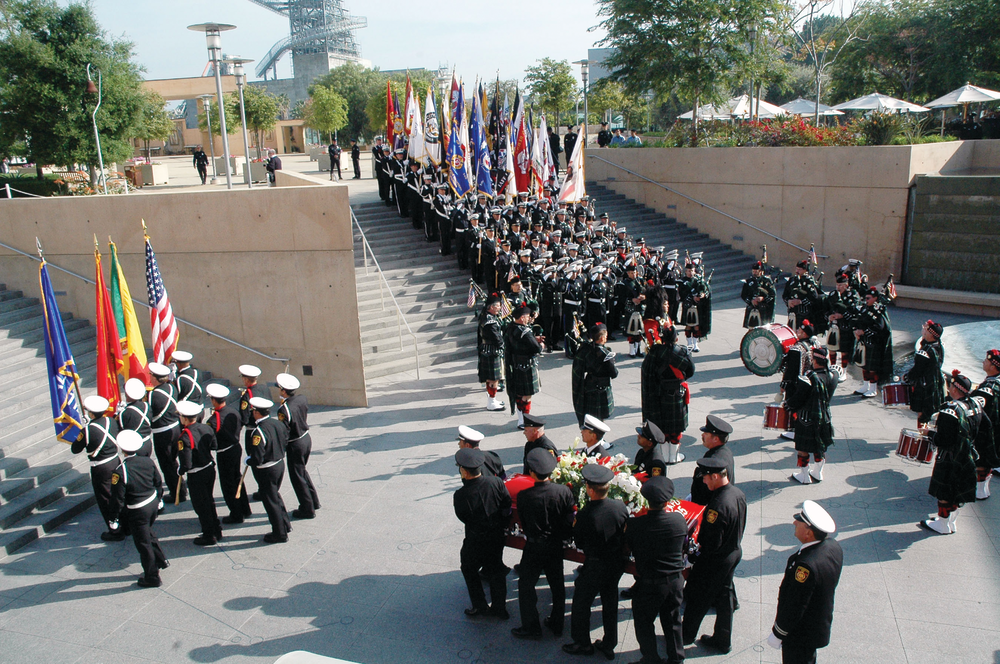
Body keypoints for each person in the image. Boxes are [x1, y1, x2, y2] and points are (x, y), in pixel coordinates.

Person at [563, 464, 628, 659]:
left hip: (596, 565)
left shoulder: (585, 515)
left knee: (582, 603)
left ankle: (583, 643)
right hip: (616, 562)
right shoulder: (619, 506)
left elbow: (580, 542)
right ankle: (609, 643)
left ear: (590, 490)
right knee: (610, 601)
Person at [682, 458, 746, 654]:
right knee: (725, 596)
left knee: (697, 597)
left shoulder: (717, 505)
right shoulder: (737, 493)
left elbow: (711, 542)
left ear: (716, 476)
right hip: (733, 551)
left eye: (706, 478)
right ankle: (722, 639)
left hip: (714, 560)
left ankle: (685, 635)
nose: (704, 482)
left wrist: (695, 555)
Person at [511, 448, 576, 640]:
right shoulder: (564, 491)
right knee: (557, 586)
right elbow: (569, 518)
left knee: (526, 586)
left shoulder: (524, 496)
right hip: (555, 545)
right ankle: (557, 624)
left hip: (534, 547)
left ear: (531, 472)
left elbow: (522, 521)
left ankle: (531, 627)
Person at [768, 501, 843, 663]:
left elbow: (795, 605)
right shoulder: (833, 546)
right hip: (816, 625)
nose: (795, 523)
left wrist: (778, 633)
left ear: (808, 533)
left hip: (800, 634)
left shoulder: (805, 566)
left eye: (799, 522)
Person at [626, 476, 688, 664]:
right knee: (673, 622)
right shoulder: (678, 520)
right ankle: (676, 658)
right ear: (667, 502)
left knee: (644, 623)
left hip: (650, 584)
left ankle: (651, 658)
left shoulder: (635, 526)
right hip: (675, 581)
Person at [453, 447, 512, 619]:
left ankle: (479, 605)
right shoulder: (496, 483)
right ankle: (500, 608)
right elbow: (507, 505)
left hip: (475, 539)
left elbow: (463, 517)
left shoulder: (460, 495)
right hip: (496, 536)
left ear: (464, 471)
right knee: (496, 570)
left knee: (468, 568)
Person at [107, 430, 170, 587]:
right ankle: (161, 559)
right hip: (152, 504)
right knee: (147, 531)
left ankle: (152, 576)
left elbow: (118, 498)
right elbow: (158, 481)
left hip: (138, 510)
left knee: (143, 543)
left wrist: (114, 518)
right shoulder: (147, 461)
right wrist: (159, 498)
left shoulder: (120, 471)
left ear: (122, 449)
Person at [920, 372, 980, 534]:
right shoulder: (974, 405)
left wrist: (929, 434)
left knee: (945, 492)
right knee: (957, 491)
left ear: (954, 388)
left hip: (949, 458)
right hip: (968, 455)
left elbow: (944, 440)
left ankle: (943, 524)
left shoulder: (949, 410)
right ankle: (950, 522)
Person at [641, 321, 695, 464]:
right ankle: (674, 456)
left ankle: (665, 456)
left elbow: (648, 373)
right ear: (676, 338)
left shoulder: (655, 352)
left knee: (663, 426)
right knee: (676, 428)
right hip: (678, 392)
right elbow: (691, 371)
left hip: (660, 394)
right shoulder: (683, 351)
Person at [72, 395, 122, 541]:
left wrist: (85, 429)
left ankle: (114, 530)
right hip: (115, 461)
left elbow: (75, 449)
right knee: (118, 494)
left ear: (91, 413)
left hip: (101, 468)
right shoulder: (111, 421)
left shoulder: (87, 431)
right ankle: (124, 522)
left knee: (105, 498)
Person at [787, 347, 838, 484]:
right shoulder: (834, 376)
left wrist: (788, 404)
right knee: (819, 446)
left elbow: (798, 399)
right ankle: (818, 473)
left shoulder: (808, 379)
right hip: (824, 417)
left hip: (806, 419)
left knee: (803, 448)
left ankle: (804, 476)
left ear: (814, 360)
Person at [176, 400, 222, 546]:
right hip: (209, 469)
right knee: (209, 501)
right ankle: (216, 529)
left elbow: (187, 463)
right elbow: (214, 445)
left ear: (184, 418)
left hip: (197, 474)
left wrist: (181, 470)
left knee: (201, 506)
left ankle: (209, 535)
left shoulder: (184, 436)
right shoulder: (205, 427)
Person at [245, 396, 291, 543]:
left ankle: (279, 533)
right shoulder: (277, 423)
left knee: (270, 502)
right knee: (275, 496)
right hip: (279, 464)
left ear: (257, 413)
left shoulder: (258, 432)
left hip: (267, 469)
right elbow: (284, 440)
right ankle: (285, 524)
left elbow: (257, 458)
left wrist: (249, 460)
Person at [206, 383, 251, 524]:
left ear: (213, 400)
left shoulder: (213, 420)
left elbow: (210, 441)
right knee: (237, 479)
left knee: (228, 485)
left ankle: (236, 514)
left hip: (224, 453)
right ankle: (245, 508)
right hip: (236, 447)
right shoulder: (233, 411)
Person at [277, 373, 321, 520]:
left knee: (297, 477)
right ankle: (313, 501)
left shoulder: (284, 409)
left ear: (284, 391)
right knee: (302, 471)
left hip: (295, 443)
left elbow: (284, 431)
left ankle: (306, 508)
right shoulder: (302, 399)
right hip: (306, 438)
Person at [504, 305, 545, 429]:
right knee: (526, 395)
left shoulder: (510, 327)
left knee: (519, 393)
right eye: (527, 316)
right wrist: (541, 345)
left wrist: (534, 338)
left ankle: (521, 418)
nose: (528, 318)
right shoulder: (525, 332)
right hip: (527, 365)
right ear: (522, 318)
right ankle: (525, 420)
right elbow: (536, 348)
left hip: (516, 364)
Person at [571, 323, 619, 428]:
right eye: (605, 336)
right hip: (601, 388)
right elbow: (614, 373)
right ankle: (599, 440)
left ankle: (594, 438)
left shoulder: (586, 350)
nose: (606, 338)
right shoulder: (606, 354)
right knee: (600, 417)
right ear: (601, 338)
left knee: (592, 416)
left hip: (589, 385)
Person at [149, 362, 183, 504]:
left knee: (167, 464)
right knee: (174, 461)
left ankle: (177, 493)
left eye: (151, 376)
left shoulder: (152, 395)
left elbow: (150, 413)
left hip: (162, 433)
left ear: (155, 378)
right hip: (176, 428)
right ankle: (181, 488)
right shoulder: (171, 387)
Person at [852, 286, 893, 398]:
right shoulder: (865, 308)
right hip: (864, 342)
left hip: (874, 343)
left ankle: (873, 388)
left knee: (872, 367)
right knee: (865, 365)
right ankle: (865, 386)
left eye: (869, 298)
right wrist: (856, 330)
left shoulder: (878, 311)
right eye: (866, 298)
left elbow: (880, 327)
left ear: (875, 298)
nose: (867, 300)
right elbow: (857, 320)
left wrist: (864, 332)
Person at [905, 320, 945, 426]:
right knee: (930, 412)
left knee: (922, 414)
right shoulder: (939, 347)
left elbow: (917, 370)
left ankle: (922, 436)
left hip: (924, 386)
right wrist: (924, 334)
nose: (924, 332)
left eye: (927, 331)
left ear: (931, 334)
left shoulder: (925, 351)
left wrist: (907, 377)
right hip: (934, 383)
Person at [971, 349, 1000, 498]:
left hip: (987, 430)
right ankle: (983, 489)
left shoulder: (988, 388)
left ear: (993, 366)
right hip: (996, 429)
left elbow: (976, 408)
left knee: (981, 459)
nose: (983, 362)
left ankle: (980, 491)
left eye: (986, 361)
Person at [690, 415, 735, 506]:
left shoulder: (712, 461)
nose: (702, 435)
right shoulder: (726, 452)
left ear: (715, 439)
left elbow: (702, 494)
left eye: (706, 434)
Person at [477, 295, 507, 412]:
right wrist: (504, 346)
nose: (500, 308)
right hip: (492, 351)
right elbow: (496, 337)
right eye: (498, 306)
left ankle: (492, 399)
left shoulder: (486, 316)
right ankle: (491, 401)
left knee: (491, 379)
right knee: (494, 379)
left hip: (487, 350)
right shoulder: (490, 321)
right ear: (492, 307)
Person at [679, 261, 711, 352]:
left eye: (692, 270)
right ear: (686, 271)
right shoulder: (683, 281)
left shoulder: (697, 280)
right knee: (689, 325)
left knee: (696, 325)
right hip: (688, 305)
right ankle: (689, 344)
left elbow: (705, 289)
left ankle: (695, 344)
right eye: (688, 271)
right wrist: (693, 297)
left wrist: (702, 294)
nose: (690, 272)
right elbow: (682, 294)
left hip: (697, 306)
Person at [118, 377, 153, 458]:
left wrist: (117, 414)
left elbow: (121, 430)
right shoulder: (146, 406)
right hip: (147, 443)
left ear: (127, 394)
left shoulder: (125, 413)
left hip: (135, 447)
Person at [741, 260, 776, 328]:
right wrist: (751, 300)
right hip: (752, 308)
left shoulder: (767, 281)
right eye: (753, 271)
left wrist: (763, 298)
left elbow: (772, 294)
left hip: (763, 310)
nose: (754, 273)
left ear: (761, 271)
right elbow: (743, 295)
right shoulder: (748, 282)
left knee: (762, 329)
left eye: (756, 272)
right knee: (751, 328)